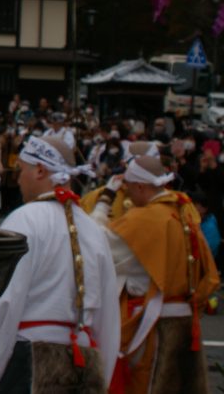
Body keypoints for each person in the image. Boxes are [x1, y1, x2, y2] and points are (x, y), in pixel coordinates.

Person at [0, 136, 119, 394]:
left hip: (29, 361)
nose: (18, 178)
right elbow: (108, 315)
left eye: (21, 169)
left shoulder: (24, 219)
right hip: (83, 362)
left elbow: (2, 299)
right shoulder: (93, 230)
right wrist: (102, 374)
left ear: (40, 170)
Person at [90, 156, 220, 394]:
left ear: (140, 186)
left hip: (153, 326)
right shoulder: (185, 210)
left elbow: (93, 244)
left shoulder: (145, 219)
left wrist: (105, 199)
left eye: (128, 186)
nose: (126, 193)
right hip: (186, 321)